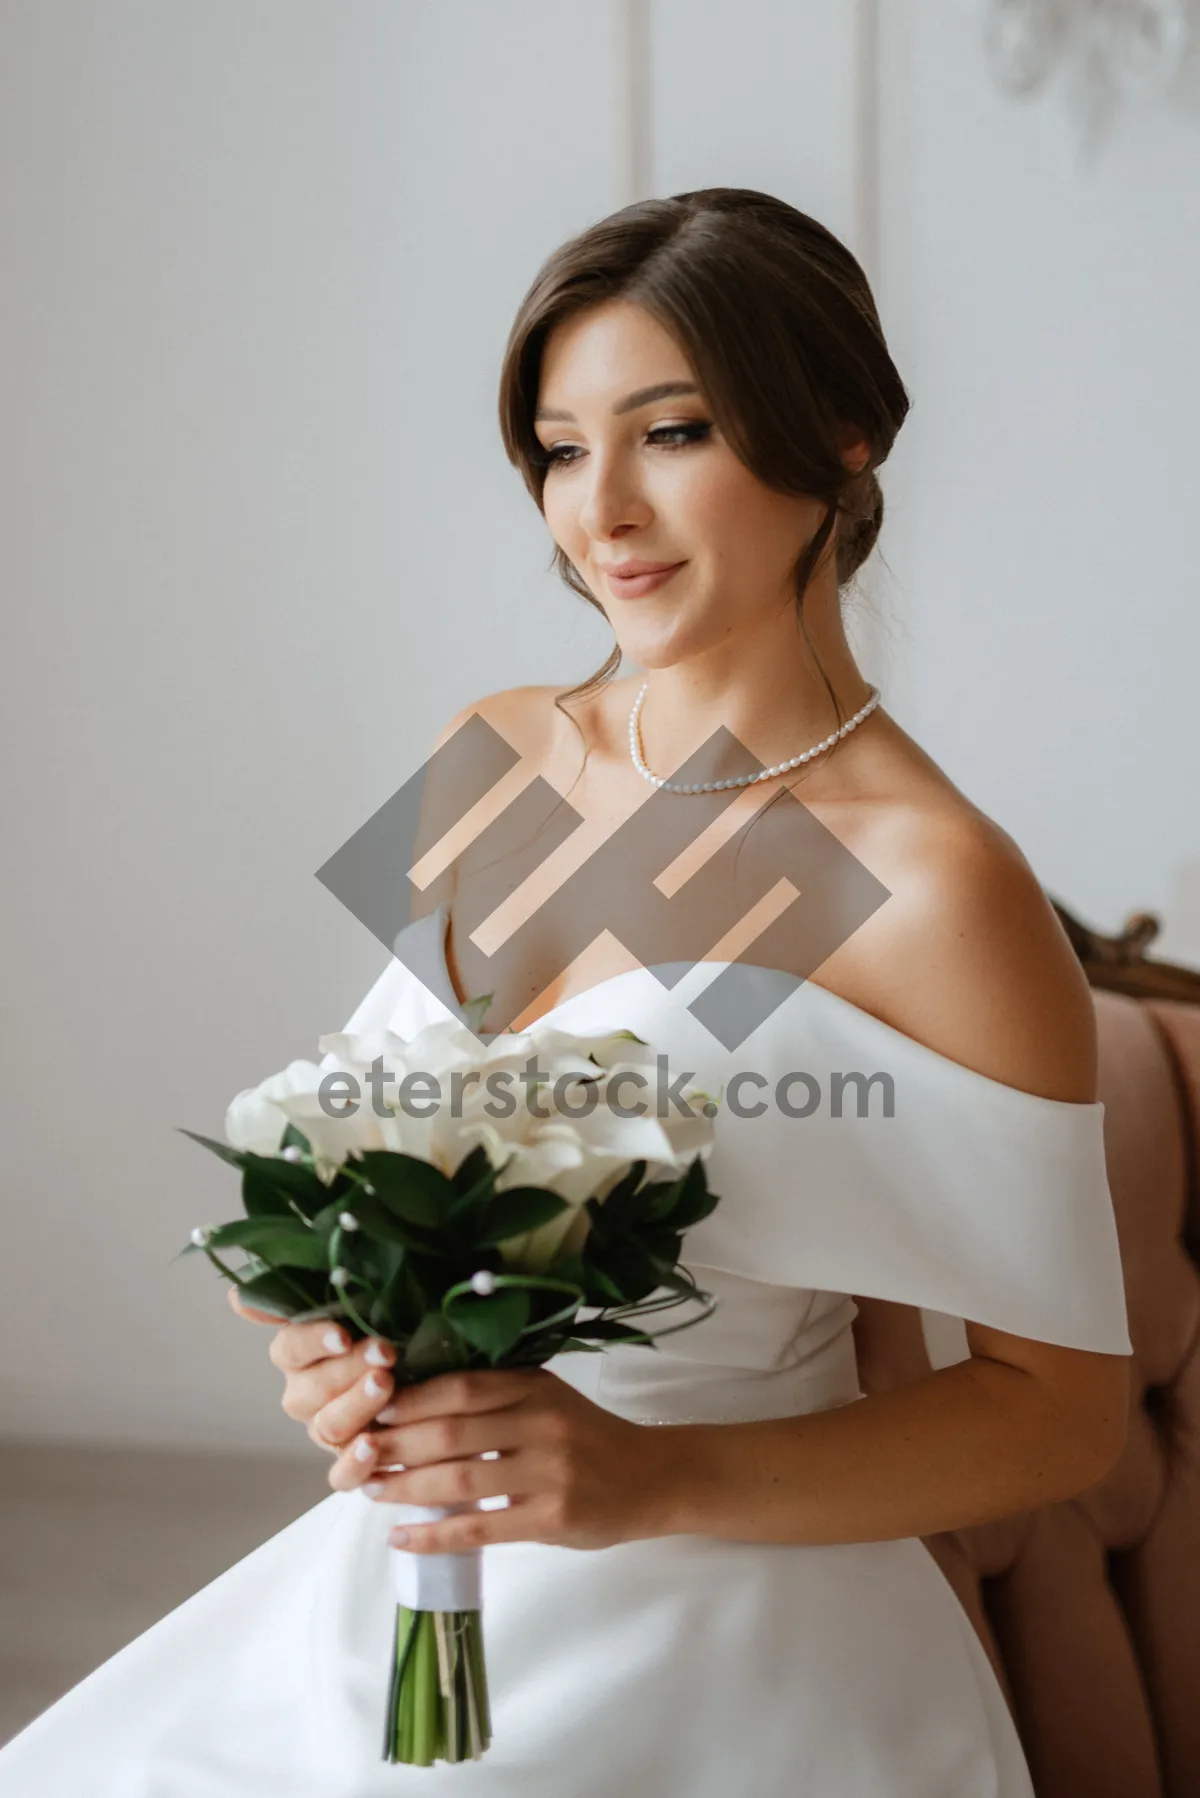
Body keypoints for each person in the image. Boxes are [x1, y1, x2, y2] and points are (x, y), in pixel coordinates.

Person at [0, 187, 1132, 1796]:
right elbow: (352, 1141)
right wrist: (328, 1328)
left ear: (846, 432)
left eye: (671, 433)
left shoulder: (937, 880)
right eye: (556, 445)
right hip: (398, 1581)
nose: (602, 509)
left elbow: (1057, 1415)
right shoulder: (505, 750)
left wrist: (645, 1477)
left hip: (730, 1631)